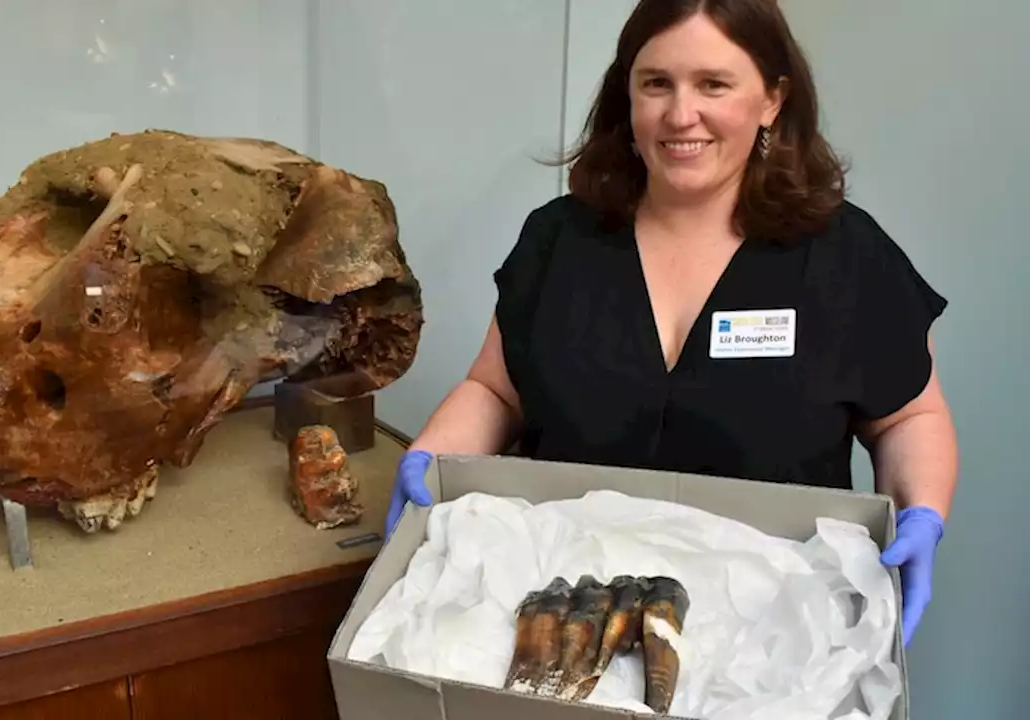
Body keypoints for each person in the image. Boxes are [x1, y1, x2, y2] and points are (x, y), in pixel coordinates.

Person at [385, 0, 957, 648]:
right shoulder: (558, 241)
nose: (681, 114)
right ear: (626, 94)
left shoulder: (846, 257)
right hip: (573, 619)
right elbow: (494, 390)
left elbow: (909, 417)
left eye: (714, 83)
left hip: (778, 637)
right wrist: (427, 458)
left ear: (773, 98)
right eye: (656, 82)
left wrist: (922, 514)